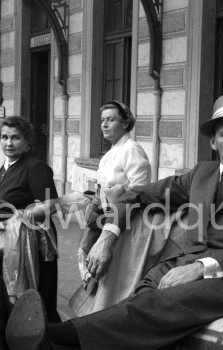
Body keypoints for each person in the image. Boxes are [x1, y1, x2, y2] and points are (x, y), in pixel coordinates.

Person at [5, 91, 223, 350]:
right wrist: (109, 233)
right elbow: (137, 194)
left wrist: (199, 268)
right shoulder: (201, 174)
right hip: (180, 262)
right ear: (213, 140)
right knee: (145, 290)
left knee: (158, 303)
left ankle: (58, 337)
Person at [74, 100, 151, 313]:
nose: (105, 125)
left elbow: (140, 191)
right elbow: (102, 188)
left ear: (125, 123)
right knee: (99, 274)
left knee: (116, 279)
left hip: (125, 222)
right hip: (104, 218)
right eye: (102, 120)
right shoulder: (109, 155)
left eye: (111, 119)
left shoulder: (132, 150)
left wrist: (115, 194)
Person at [0, 116, 62, 322]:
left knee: (37, 301)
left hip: (33, 247)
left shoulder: (35, 167)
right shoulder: (6, 167)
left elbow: (51, 205)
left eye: (15, 138)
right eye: (4, 137)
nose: (9, 143)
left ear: (27, 141)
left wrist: (17, 216)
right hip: (10, 244)